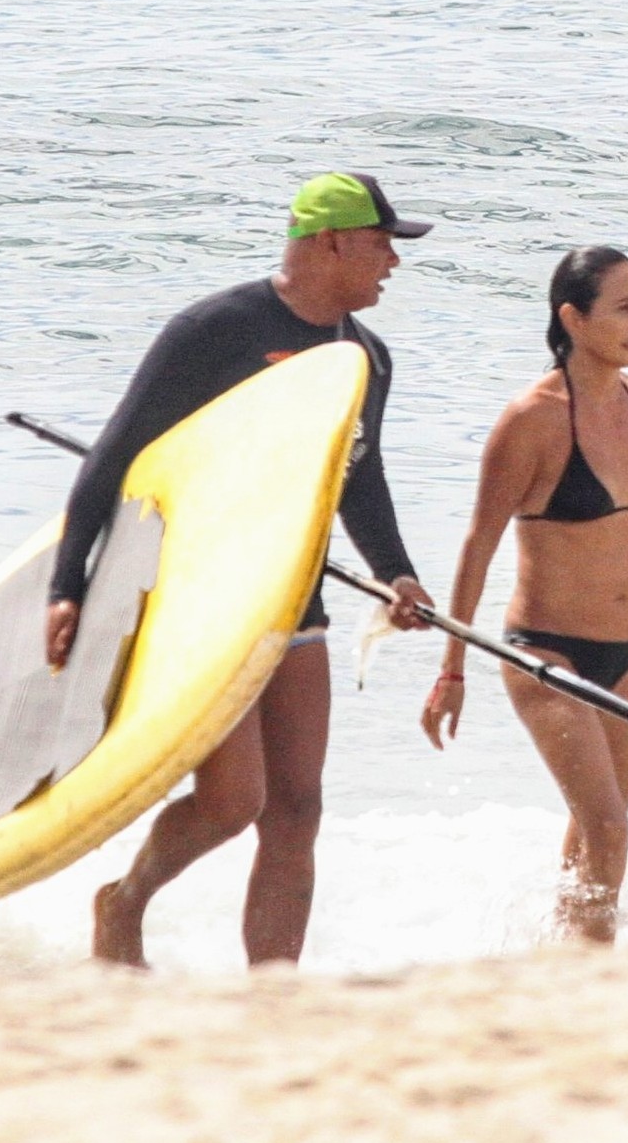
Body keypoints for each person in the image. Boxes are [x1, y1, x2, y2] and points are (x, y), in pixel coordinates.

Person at [46, 172, 435, 967]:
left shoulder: (365, 357)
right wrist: (66, 586)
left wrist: (397, 572)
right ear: (329, 241)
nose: (392, 261)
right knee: (232, 803)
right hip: (198, 599)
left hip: (295, 595)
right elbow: (113, 457)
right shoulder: (214, 329)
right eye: (379, 243)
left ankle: (273, 987)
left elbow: (359, 475)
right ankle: (123, 900)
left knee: (298, 808)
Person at [420, 246, 628, 943]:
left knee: (597, 827)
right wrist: (452, 669)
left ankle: (562, 951)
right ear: (573, 317)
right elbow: (478, 543)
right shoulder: (530, 420)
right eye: (625, 307)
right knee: (609, 828)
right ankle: (594, 973)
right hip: (546, 654)